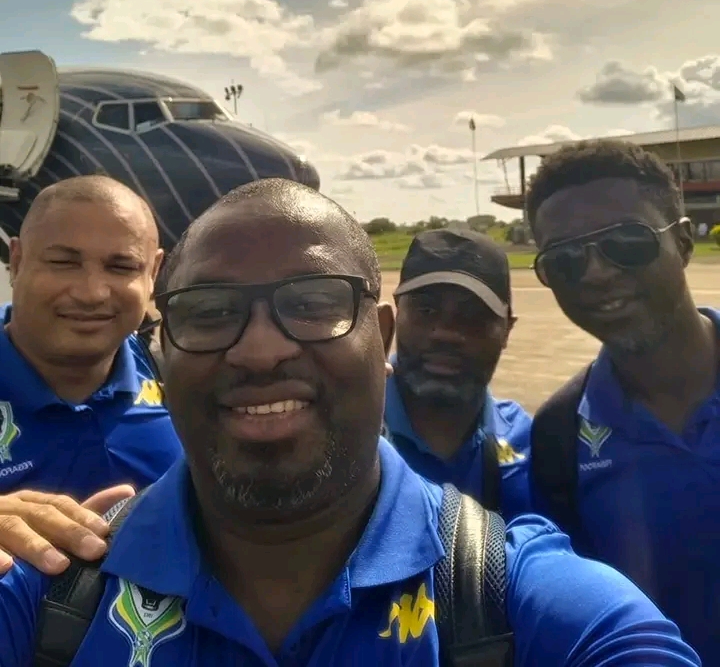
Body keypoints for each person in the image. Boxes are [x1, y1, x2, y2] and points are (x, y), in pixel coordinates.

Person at [0, 178, 702, 666]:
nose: (261, 350)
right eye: (209, 312)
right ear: (162, 348)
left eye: (314, 303)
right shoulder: (45, 595)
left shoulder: (525, 605)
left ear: (383, 338)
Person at [526, 139, 720, 665]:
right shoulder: (559, 436)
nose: (595, 273)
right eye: (565, 259)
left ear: (683, 243)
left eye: (627, 242)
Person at [0, 176, 182, 577]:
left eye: (121, 266)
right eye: (63, 262)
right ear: (17, 261)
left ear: (153, 272)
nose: (92, 293)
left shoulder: (183, 377)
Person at [385, 228, 532, 517]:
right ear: (396, 314)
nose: (445, 333)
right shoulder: (344, 429)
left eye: (473, 315)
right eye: (426, 310)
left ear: (507, 330)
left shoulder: (530, 440)